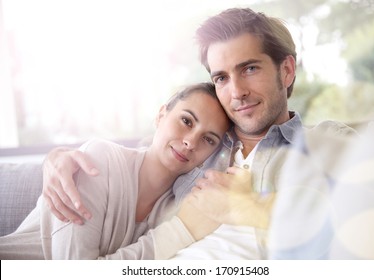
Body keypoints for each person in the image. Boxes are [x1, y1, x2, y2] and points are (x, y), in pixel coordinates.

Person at [40, 8, 356, 259]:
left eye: (250, 68)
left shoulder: (327, 142)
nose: (237, 92)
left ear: (286, 70)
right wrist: (58, 158)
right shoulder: (202, 146)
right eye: (221, 77)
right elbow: (139, 161)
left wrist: (251, 209)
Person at [0, 82, 231, 259]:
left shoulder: (175, 207)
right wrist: (180, 232)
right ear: (161, 115)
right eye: (186, 121)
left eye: (208, 140)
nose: (191, 142)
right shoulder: (99, 160)